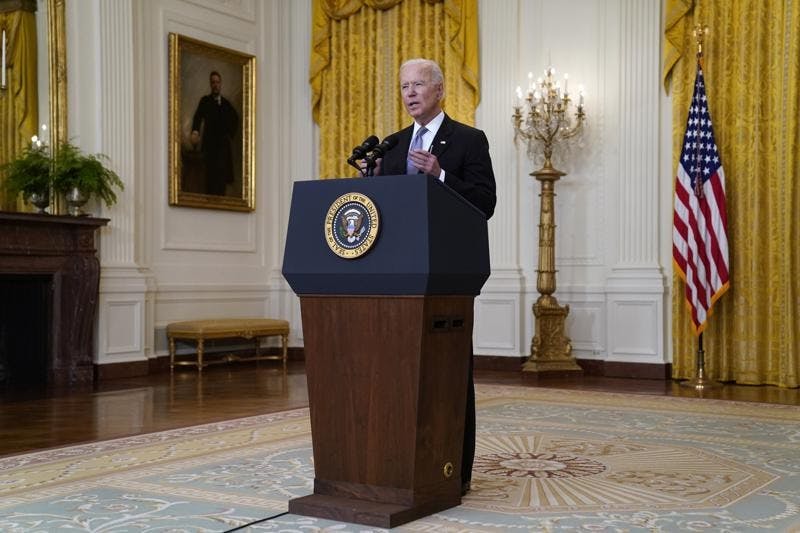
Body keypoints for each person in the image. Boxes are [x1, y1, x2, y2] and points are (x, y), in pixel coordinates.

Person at [376, 58, 497, 495]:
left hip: (446, 273)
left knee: (446, 374)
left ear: (440, 90)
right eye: (404, 86)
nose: (409, 93)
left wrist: (440, 174)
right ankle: (394, 464)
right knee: (395, 372)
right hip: (395, 275)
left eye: (418, 85)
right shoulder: (392, 146)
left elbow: (485, 203)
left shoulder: (468, 140)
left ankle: (452, 471)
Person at [190, 71, 238, 196]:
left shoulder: (226, 104)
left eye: (217, 82)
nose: (215, 85)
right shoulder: (205, 101)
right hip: (209, 147)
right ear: (210, 84)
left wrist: (229, 134)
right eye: (213, 82)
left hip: (223, 150)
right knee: (209, 180)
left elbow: (235, 119)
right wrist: (195, 131)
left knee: (221, 182)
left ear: (220, 84)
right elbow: (197, 117)